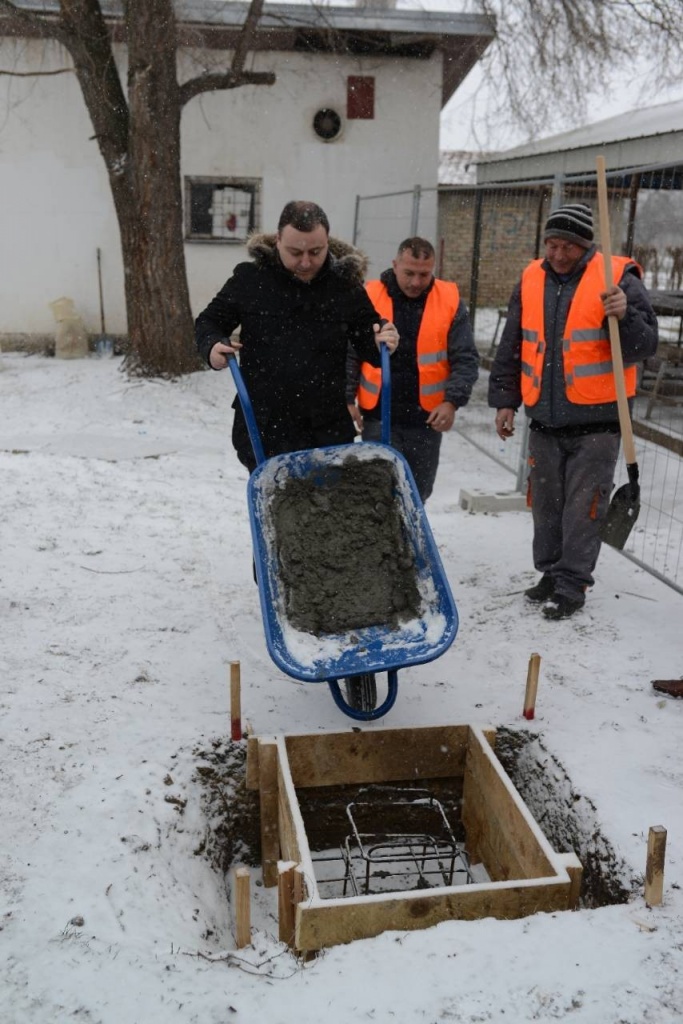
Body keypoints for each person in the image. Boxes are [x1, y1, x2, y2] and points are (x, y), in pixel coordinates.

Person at [488, 202, 658, 620]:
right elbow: (513, 343)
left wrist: (624, 315)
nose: (558, 254)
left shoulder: (618, 278)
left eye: (568, 246)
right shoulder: (531, 277)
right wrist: (506, 401)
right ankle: (550, 573)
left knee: (584, 509)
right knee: (546, 505)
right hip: (544, 419)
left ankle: (572, 584)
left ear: (586, 246)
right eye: (552, 244)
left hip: (598, 422)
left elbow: (644, 345)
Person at [195, 200, 399, 471]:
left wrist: (383, 340)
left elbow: (369, 340)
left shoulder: (344, 286)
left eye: (316, 252)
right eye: (295, 252)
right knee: (275, 495)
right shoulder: (251, 280)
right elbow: (209, 322)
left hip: (326, 431)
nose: (305, 262)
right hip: (264, 426)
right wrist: (211, 347)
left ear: (327, 242)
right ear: (278, 240)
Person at [346, 237, 479, 502]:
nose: (416, 282)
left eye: (424, 274)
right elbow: (349, 352)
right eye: (409, 273)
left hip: (425, 421)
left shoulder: (449, 300)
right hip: (378, 417)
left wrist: (452, 401)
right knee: (376, 494)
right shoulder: (369, 296)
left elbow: (465, 358)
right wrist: (347, 397)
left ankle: (411, 530)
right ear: (395, 265)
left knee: (417, 495)